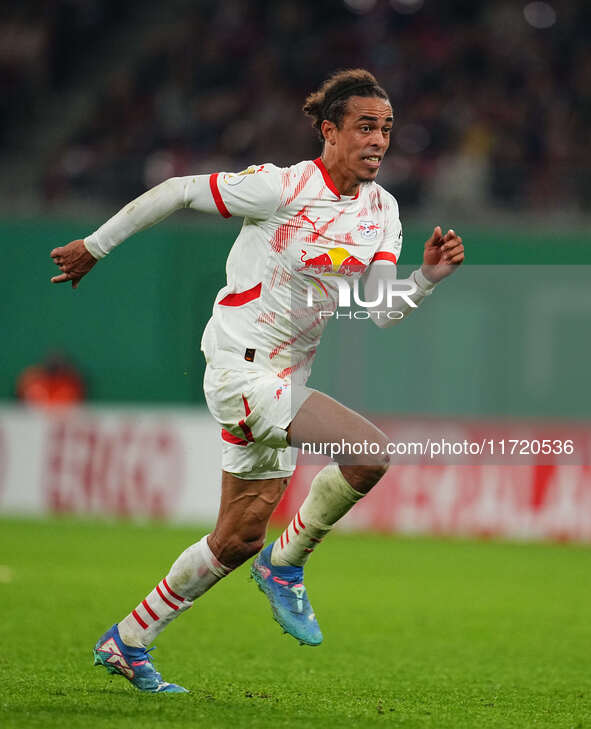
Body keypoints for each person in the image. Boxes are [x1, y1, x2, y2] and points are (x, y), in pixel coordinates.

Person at [50, 68, 464, 694]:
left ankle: (128, 638)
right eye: (364, 127)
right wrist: (96, 246)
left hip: (285, 376)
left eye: (385, 129)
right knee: (370, 453)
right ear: (329, 131)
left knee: (237, 536)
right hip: (241, 368)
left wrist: (426, 279)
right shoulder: (282, 188)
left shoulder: (382, 211)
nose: (378, 140)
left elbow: (379, 309)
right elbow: (178, 189)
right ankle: (287, 565)